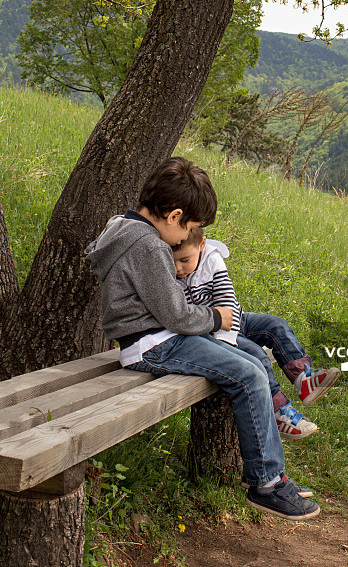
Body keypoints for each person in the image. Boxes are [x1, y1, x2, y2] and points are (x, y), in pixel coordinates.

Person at [85, 156, 320, 520]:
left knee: (253, 358)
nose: (184, 237)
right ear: (174, 216)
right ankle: (266, 483)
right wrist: (216, 317)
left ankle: (271, 472)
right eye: (188, 227)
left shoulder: (121, 227)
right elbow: (176, 313)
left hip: (159, 338)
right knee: (249, 376)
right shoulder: (148, 246)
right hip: (155, 345)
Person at [172, 227, 341, 441]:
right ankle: (279, 411)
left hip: (233, 320)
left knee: (276, 325)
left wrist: (229, 339)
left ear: (202, 245)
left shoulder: (212, 260)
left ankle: (303, 379)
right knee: (257, 355)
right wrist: (226, 346)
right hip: (211, 335)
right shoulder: (168, 274)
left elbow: (226, 302)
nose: (178, 268)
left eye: (185, 260)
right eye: (173, 260)